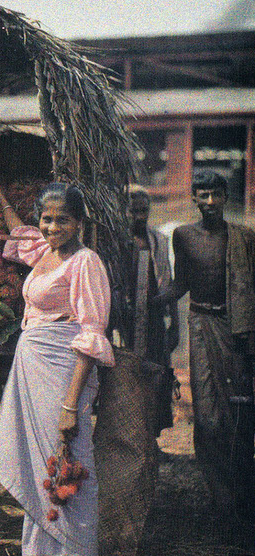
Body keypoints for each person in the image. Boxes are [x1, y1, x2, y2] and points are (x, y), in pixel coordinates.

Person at [0, 182, 114, 556]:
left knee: (70, 455)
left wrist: (70, 404)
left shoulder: (85, 262)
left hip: (63, 371)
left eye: (63, 220)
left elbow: (91, 333)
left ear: (79, 223)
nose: (53, 227)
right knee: (42, 462)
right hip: (33, 369)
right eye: (47, 219)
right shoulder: (44, 251)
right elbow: (19, 232)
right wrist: (1, 197)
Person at [163, 169, 255, 521]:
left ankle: (242, 496)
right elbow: (181, 284)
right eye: (204, 195)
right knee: (208, 416)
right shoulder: (183, 236)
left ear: (226, 197)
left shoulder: (244, 238)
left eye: (217, 194)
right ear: (194, 198)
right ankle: (220, 497)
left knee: (241, 412)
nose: (211, 201)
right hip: (202, 327)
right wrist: (151, 301)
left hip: (238, 330)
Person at [126, 185, 179, 432]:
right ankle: (131, 439)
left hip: (155, 321)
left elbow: (170, 284)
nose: (140, 216)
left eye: (144, 210)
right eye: (134, 211)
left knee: (157, 377)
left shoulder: (159, 241)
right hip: (126, 322)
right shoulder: (118, 243)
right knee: (128, 380)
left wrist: (175, 325)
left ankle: (151, 439)